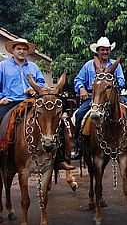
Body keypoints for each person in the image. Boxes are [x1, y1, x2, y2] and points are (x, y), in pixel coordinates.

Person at [0, 38, 74, 170]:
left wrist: (35, 89)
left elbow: (41, 83)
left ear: (27, 51)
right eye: (19, 49)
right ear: (13, 50)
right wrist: (1, 99)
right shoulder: (3, 66)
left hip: (32, 100)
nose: (22, 51)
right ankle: (3, 154)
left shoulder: (33, 67)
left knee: (57, 121)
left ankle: (60, 158)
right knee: (1, 121)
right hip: (11, 101)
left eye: (24, 49)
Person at [73, 37, 127, 158]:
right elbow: (78, 80)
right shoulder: (88, 65)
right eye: (102, 50)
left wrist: (114, 85)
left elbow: (121, 80)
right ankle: (77, 144)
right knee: (79, 114)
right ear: (97, 51)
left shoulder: (115, 65)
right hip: (93, 98)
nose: (105, 52)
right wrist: (81, 88)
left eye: (107, 50)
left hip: (113, 98)